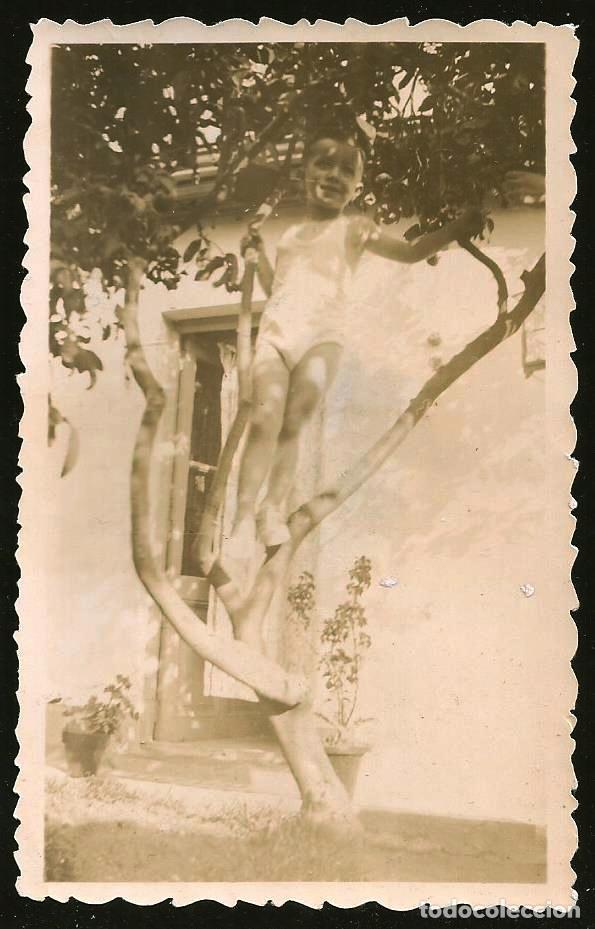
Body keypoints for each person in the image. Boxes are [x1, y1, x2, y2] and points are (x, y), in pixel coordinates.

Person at [228, 132, 483, 557]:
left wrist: (457, 227)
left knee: (293, 422)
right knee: (264, 415)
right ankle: (240, 522)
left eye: (347, 170)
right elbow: (279, 291)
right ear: (304, 172)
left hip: (322, 338)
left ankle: (270, 511)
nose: (333, 175)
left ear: (358, 188)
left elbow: (411, 251)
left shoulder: (356, 228)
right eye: (324, 164)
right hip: (277, 333)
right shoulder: (290, 236)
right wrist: (259, 257)